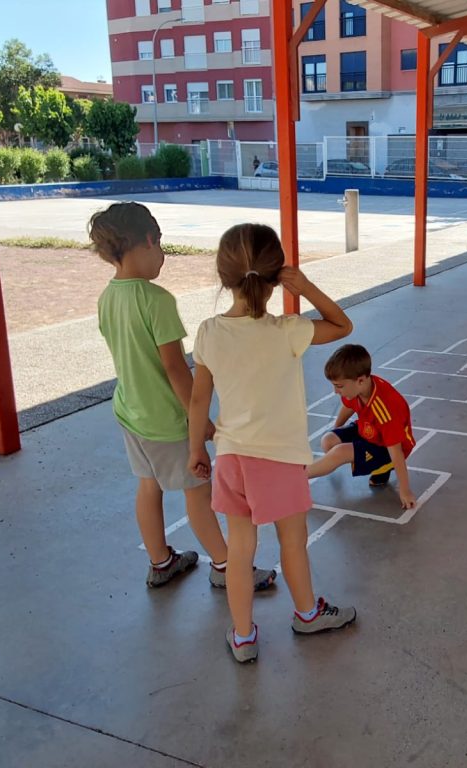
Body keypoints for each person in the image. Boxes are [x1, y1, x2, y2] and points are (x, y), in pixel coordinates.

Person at [188, 223, 357, 664]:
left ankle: (243, 637)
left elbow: (198, 400)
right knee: (292, 542)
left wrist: (196, 450)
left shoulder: (209, 332)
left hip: (231, 457)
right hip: (279, 459)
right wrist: (306, 287)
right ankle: (307, 614)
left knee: (240, 550)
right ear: (277, 275)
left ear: (224, 276)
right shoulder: (288, 329)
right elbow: (343, 325)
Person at [91, 203, 277, 591]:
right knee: (198, 491)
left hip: (130, 412)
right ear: (147, 240)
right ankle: (225, 566)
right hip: (165, 419)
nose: (162, 255)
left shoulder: (107, 297)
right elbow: (176, 368)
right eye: (160, 245)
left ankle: (161, 561)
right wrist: (199, 419)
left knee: (148, 485)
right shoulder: (156, 300)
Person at [306, 344, 417, 510]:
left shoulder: (385, 408)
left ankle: (295, 478)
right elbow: (348, 406)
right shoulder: (358, 388)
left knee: (339, 452)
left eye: (339, 386)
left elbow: (396, 451)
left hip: (387, 447)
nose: (335, 391)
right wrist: (336, 430)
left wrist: (405, 490)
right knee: (328, 441)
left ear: (360, 380)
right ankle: (372, 465)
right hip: (368, 430)